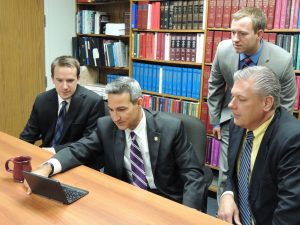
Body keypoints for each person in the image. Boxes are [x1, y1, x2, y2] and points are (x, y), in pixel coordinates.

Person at [25, 77, 206, 211]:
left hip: (164, 200)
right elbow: (79, 149)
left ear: (139, 103)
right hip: (126, 200)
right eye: (110, 109)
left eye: (121, 109)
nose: (115, 117)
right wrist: (46, 167)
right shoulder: (107, 126)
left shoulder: (170, 128)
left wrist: (187, 214)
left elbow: (193, 174)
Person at [207, 6, 296, 201]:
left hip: (265, 124)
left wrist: (274, 131)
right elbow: (214, 85)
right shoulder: (223, 50)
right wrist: (215, 121)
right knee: (226, 174)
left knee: (258, 175)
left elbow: (287, 99)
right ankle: (224, 215)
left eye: (242, 33)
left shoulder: (282, 60)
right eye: (232, 32)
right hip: (231, 118)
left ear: (260, 34)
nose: (235, 39)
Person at [217, 66, 300, 225]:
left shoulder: (293, 140)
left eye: (241, 99)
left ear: (267, 103)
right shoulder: (238, 123)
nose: (231, 105)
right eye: (232, 96)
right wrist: (227, 194)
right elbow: (233, 174)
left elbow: (290, 213)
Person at [20, 55, 105, 170]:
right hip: (45, 158)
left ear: (78, 78)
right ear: (52, 79)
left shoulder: (93, 102)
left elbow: (88, 143)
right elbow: (27, 136)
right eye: (59, 80)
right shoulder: (42, 100)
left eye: (70, 80)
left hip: (78, 162)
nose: (65, 87)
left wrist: (53, 150)